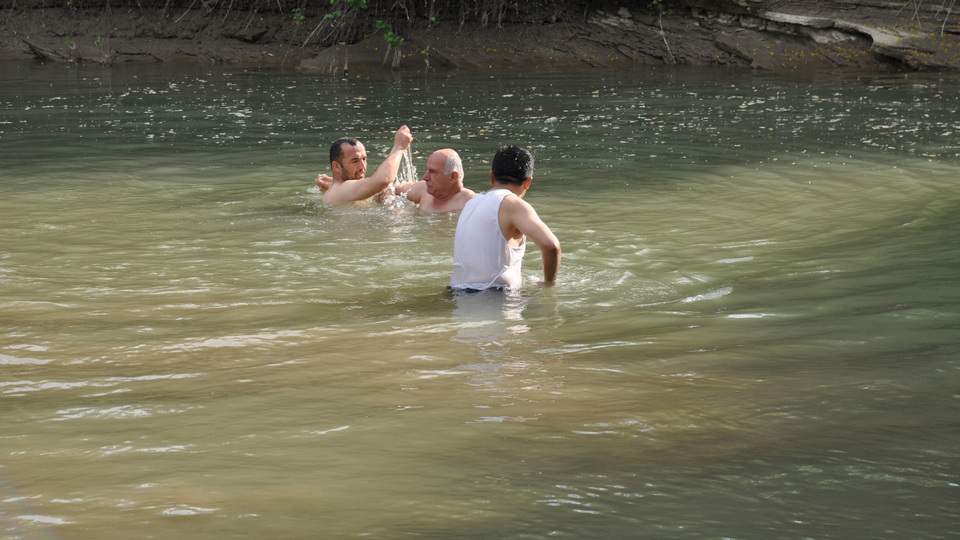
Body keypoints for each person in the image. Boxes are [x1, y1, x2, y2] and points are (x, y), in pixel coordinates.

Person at [449, 145, 560, 291]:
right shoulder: (513, 204)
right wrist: (548, 284)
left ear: (491, 176)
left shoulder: (471, 203)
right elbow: (551, 246)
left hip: (456, 295)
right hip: (495, 299)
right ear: (528, 182)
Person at [318, 148, 475, 214]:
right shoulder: (424, 191)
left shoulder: (472, 204)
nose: (425, 177)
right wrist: (341, 189)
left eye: (432, 172)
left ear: (453, 177)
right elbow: (388, 188)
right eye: (426, 170)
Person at [317, 125, 413, 204]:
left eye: (364, 159)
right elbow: (383, 179)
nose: (362, 167)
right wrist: (399, 147)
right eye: (355, 161)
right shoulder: (342, 189)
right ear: (336, 166)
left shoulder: (339, 190)